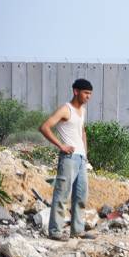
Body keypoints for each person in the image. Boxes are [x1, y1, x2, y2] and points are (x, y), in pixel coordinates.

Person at [39, 78, 94, 241]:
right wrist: (61, 146)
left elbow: (82, 131)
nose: (88, 97)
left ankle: (77, 230)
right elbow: (44, 127)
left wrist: (85, 152)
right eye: (85, 93)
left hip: (80, 158)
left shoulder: (82, 111)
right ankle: (55, 231)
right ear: (75, 91)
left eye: (90, 94)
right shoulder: (65, 109)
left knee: (81, 195)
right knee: (62, 194)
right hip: (68, 158)